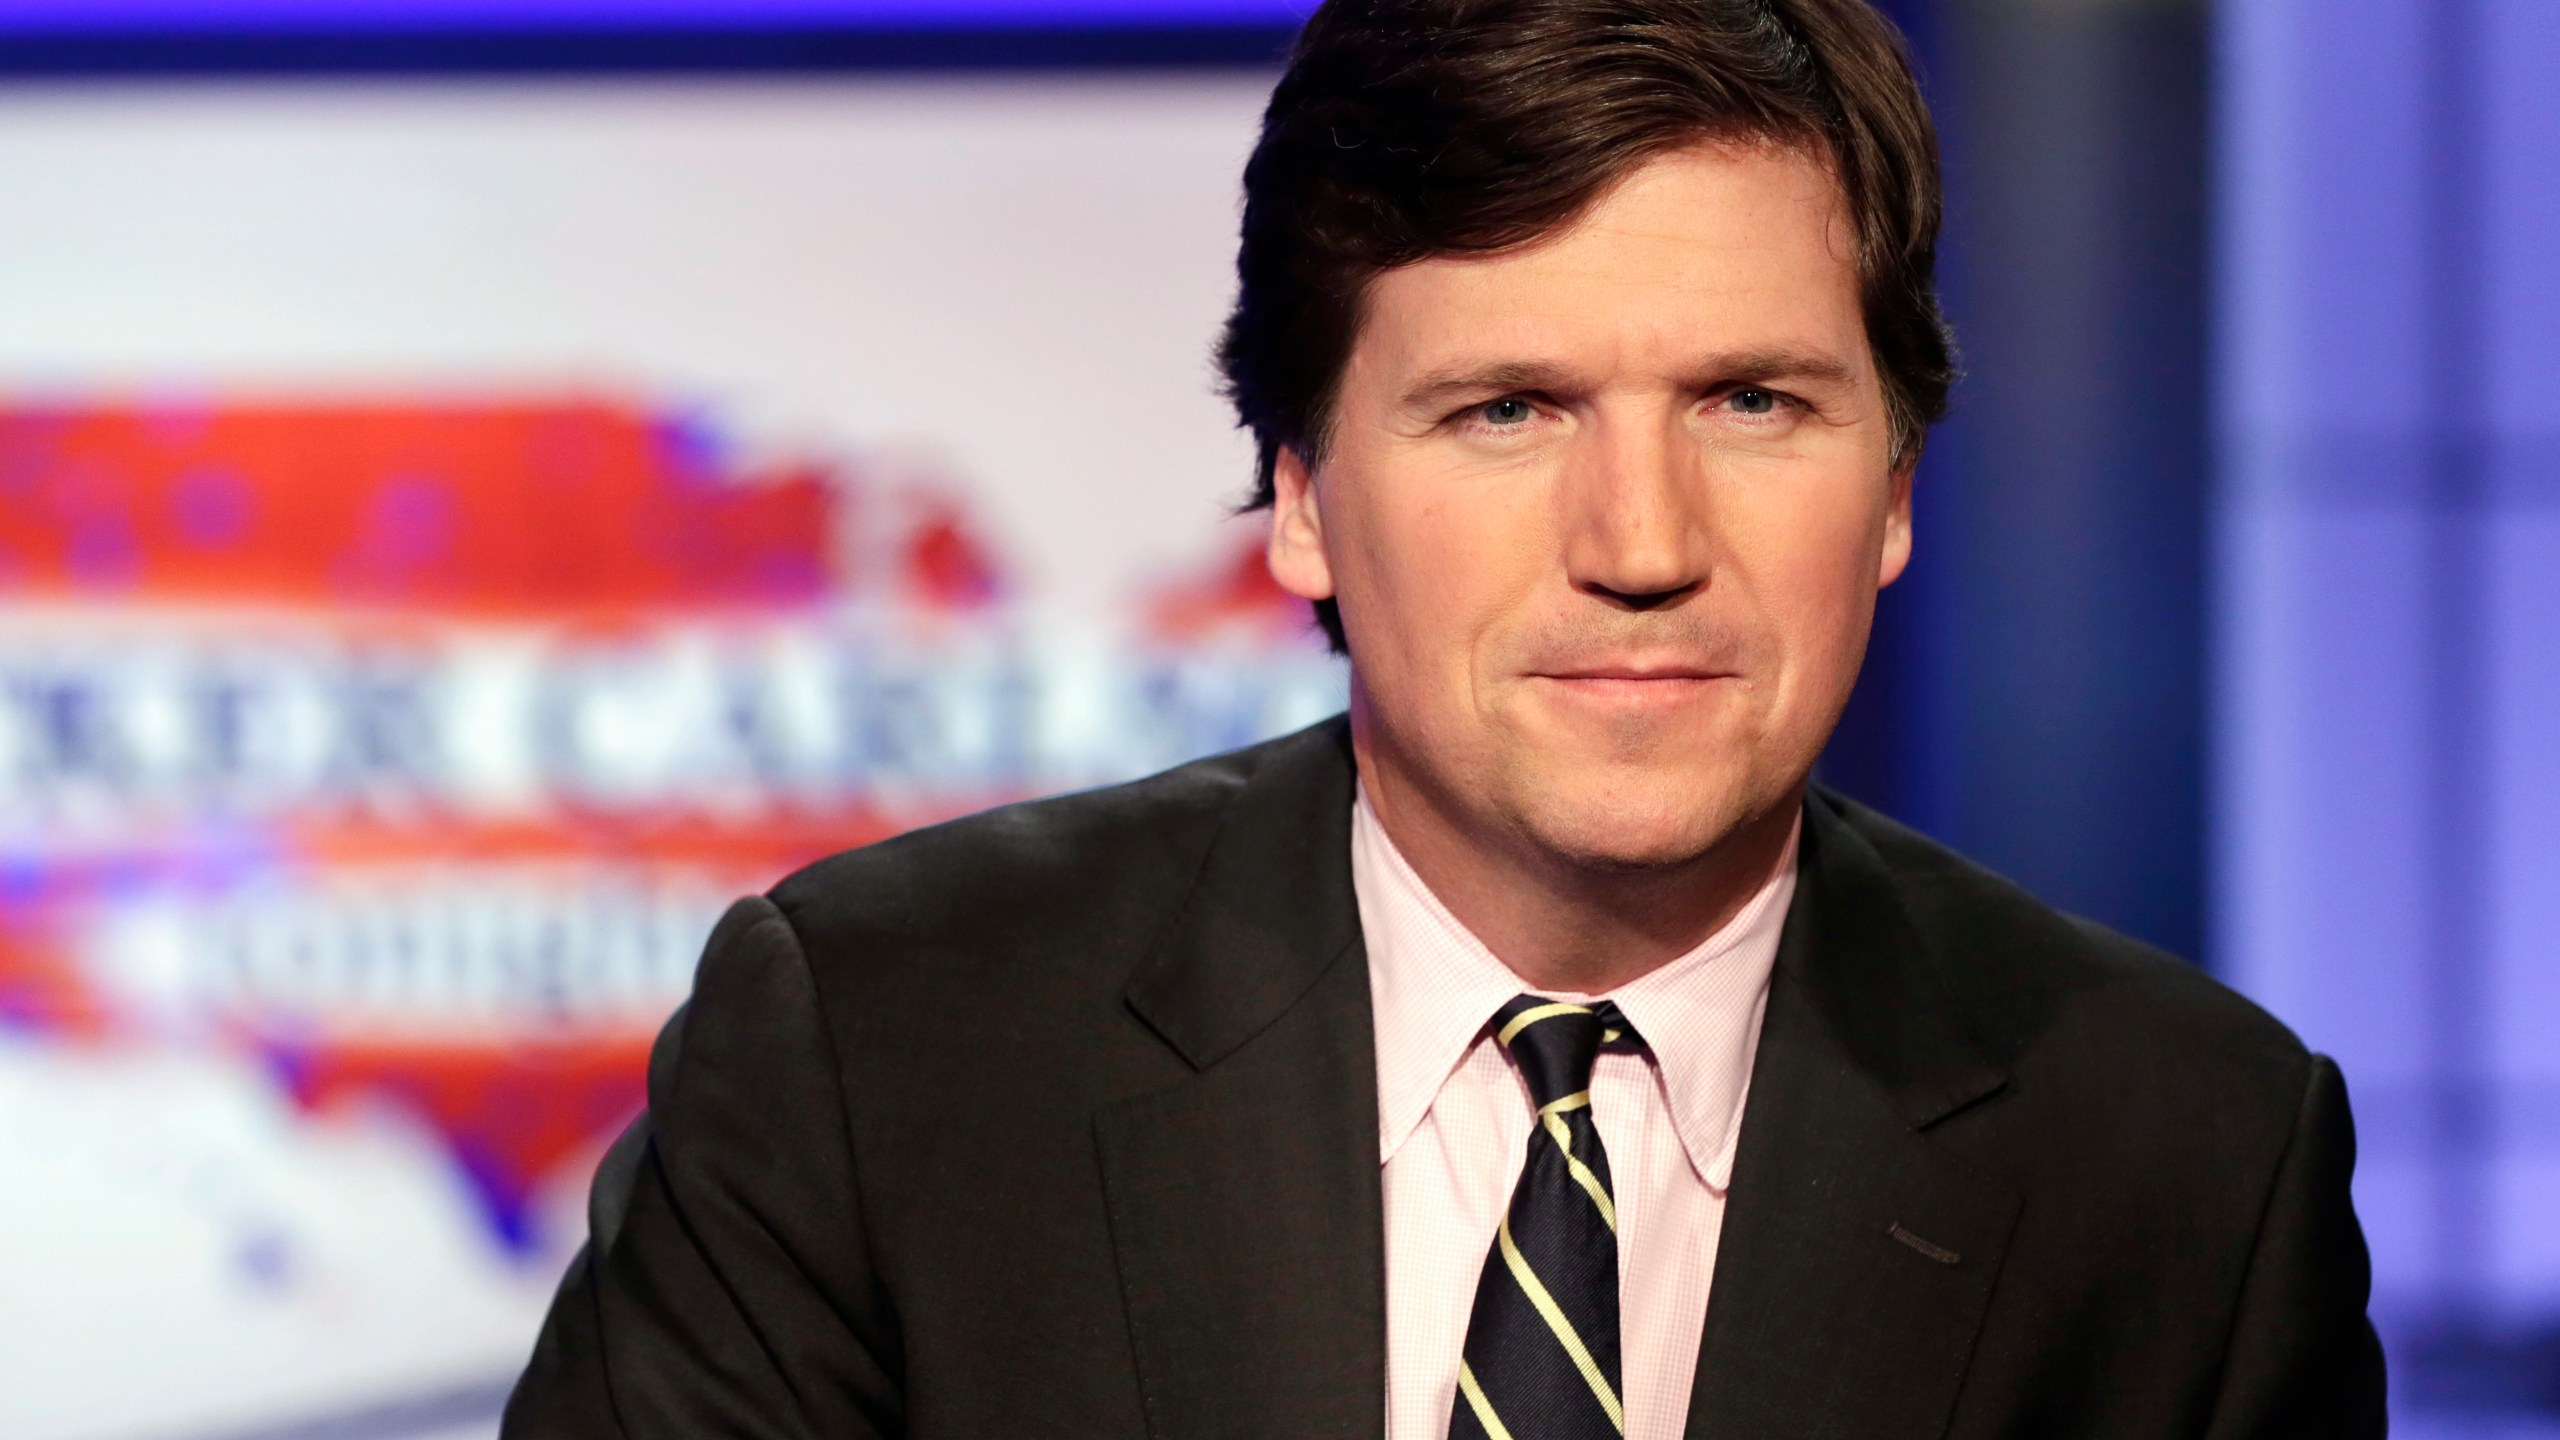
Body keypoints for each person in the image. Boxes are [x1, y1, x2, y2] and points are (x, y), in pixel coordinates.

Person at [502, 0, 2386, 1434]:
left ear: (1893, 486)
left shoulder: (2190, 1164)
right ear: (1305, 496)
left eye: (1751, 402)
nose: (1641, 544)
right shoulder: (872, 1056)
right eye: (1508, 411)